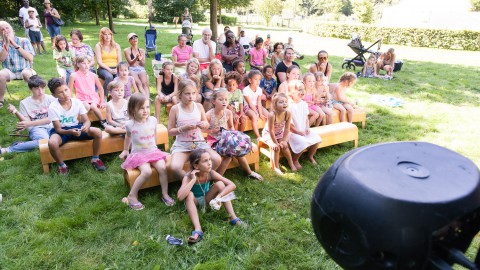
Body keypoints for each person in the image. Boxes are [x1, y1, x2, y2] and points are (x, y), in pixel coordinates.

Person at [177, 149, 246, 244]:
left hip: (207, 199)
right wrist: (193, 180)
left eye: (210, 159)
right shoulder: (188, 176)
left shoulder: (210, 173)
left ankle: (233, 218)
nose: (210, 163)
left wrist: (219, 197)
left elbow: (232, 185)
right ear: (196, 165)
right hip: (194, 202)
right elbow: (180, 197)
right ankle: (198, 229)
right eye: (205, 161)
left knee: (220, 184)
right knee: (189, 194)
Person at [119, 93, 172, 209]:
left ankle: (165, 193)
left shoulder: (152, 120)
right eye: (141, 108)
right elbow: (128, 137)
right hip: (139, 154)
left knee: (162, 168)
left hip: (152, 151)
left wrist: (157, 149)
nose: (145, 111)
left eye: (147, 107)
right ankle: (132, 196)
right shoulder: (129, 124)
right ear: (133, 109)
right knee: (146, 171)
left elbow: (154, 136)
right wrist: (125, 150)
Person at [46, 77, 105, 175]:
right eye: (60, 92)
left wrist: (85, 126)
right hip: (62, 131)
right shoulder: (53, 107)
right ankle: (62, 166)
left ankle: (95, 159)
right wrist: (70, 132)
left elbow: (86, 121)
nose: (65, 94)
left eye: (66, 90)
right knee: (52, 143)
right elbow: (58, 129)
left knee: (98, 132)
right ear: (54, 95)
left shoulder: (77, 102)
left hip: (77, 127)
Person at [167, 79, 221, 181]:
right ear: (180, 94)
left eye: (193, 93)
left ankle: (204, 179)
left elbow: (206, 125)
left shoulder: (199, 106)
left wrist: (204, 124)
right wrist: (183, 128)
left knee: (217, 159)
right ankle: (193, 182)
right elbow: (170, 132)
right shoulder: (175, 109)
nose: (191, 96)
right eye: (187, 93)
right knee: (175, 167)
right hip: (182, 146)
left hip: (199, 144)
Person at [205, 89, 263, 179]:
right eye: (221, 99)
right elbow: (203, 130)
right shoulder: (209, 114)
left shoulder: (228, 112)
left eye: (226, 100)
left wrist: (233, 137)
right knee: (229, 155)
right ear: (213, 101)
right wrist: (212, 131)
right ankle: (218, 179)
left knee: (237, 149)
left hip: (226, 138)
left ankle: (249, 172)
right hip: (214, 140)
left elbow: (231, 127)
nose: (224, 102)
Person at [1, 75, 55, 155]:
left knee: (55, 140)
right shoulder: (24, 103)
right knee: (45, 141)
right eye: (36, 88)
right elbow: (27, 123)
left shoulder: (51, 99)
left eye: (42, 88)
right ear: (30, 89)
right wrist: (16, 111)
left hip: (52, 125)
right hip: (37, 128)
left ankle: (24, 144)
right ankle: (8, 149)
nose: (41, 91)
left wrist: (30, 123)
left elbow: (52, 118)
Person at [0, 21, 36, 108]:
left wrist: (15, 45)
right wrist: (7, 44)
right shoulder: (0, 43)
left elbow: (30, 58)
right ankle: (0, 99)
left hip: (25, 68)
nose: (5, 31)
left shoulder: (24, 41)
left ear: (12, 29)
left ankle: (36, 96)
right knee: (1, 75)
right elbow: (1, 59)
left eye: (7, 28)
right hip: (9, 71)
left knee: (26, 73)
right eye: (2, 30)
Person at [288, 80, 321, 169]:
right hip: (292, 132)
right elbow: (289, 125)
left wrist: (307, 127)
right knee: (302, 142)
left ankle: (310, 156)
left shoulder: (304, 104)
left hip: (303, 129)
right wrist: (298, 132)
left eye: (303, 89)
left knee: (317, 138)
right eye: (299, 89)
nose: (302, 91)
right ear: (291, 92)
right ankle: (295, 159)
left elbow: (306, 117)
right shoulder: (289, 106)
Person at [260, 92, 295, 175]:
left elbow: (287, 128)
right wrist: (275, 143)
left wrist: (283, 140)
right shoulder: (272, 115)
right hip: (268, 134)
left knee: (285, 146)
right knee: (276, 148)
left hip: (279, 133)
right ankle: (276, 167)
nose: (284, 103)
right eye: (281, 102)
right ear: (275, 104)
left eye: (286, 102)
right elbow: (271, 130)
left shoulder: (288, 113)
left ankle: (291, 163)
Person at [68, 55, 107, 127]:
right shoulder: (74, 75)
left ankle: (103, 122)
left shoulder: (93, 75)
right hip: (81, 98)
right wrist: (71, 101)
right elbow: (69, 90)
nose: (86, 65)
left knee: (94, 107)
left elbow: (101, 89)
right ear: (78, 64)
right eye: (83, 63)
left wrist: (102, 101)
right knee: (87, 107)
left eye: (88, 63)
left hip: (93, 97)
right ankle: (82, 123)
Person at [95, 27, 122, 96]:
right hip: (103, 68)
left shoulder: (116, 46)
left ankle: (116, 96)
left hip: (115, 67)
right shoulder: (98, 46)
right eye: (105, 34)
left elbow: (120, 60)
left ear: (111, 35)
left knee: (118, 77)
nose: (107, 36)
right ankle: (104, 96)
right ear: (102, 36)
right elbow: (99, 62)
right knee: (109, 77)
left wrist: (117, 69)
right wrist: (109, 69)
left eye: (109, 34)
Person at [243, 70, 269, 139]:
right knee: (254, 116)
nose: (258, 81)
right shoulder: (246, 90)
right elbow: (250, 103)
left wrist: (260, 113)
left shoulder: (259, 89)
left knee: (269, 116)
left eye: (259, 79)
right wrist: (256, 112)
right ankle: (258, 136)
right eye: (256, 79)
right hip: (248, 107)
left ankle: (267, 133)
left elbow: (259, 102)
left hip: (257, 106)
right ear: (250, 80)